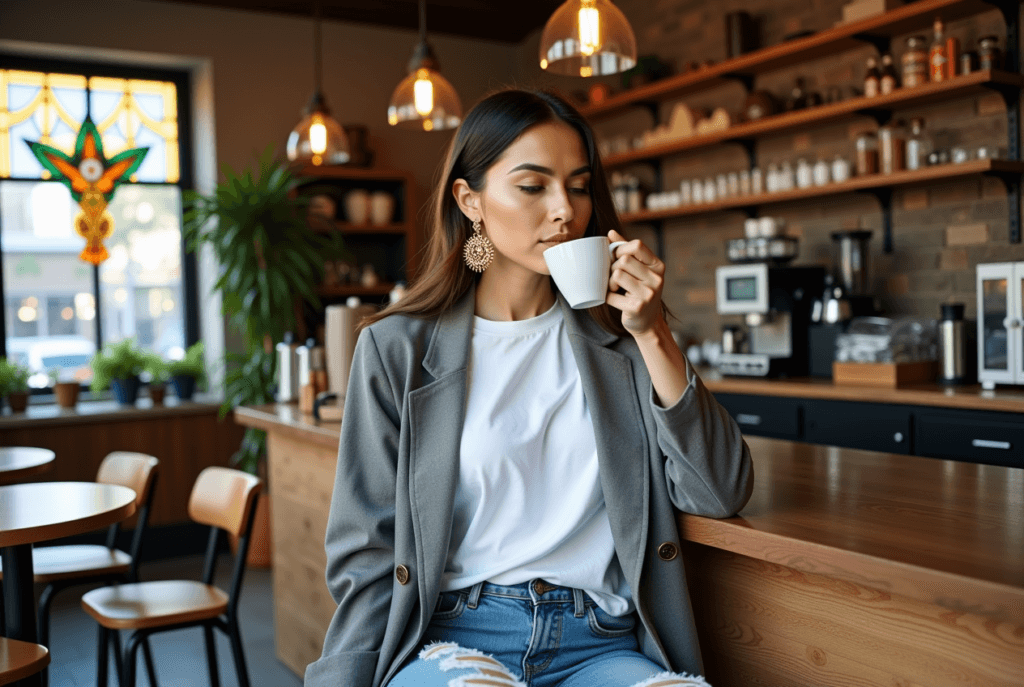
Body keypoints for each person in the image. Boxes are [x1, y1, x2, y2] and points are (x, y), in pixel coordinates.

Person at [304, 88, 753, 687]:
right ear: (471, 200)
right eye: (533, 186)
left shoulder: (623, 344)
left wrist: (653, 336)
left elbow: (719, 491)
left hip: (600, 644)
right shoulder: (396, 350)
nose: (565, 210)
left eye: (579, 185)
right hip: (455, 639)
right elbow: (366, 547)